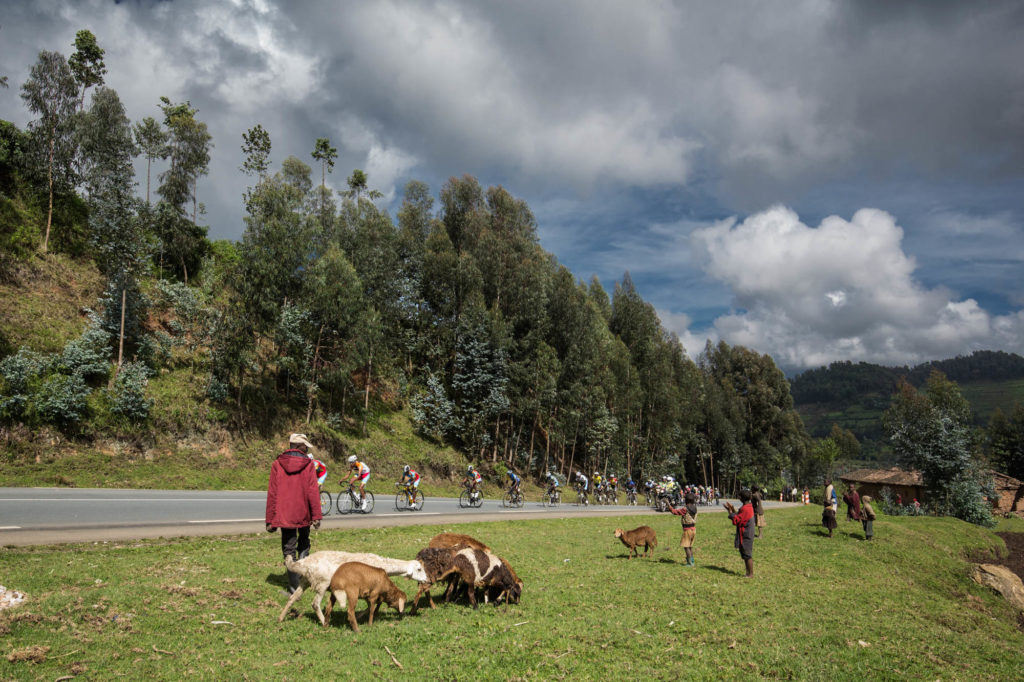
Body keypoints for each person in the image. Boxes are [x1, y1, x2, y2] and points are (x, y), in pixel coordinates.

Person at [266, 433, 322, 594]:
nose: (307, 449)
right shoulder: (309, 464)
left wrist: (270, 519)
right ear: (299, 447)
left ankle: (293, 588)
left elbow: (272, 493)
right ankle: (305, 580)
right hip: (303, 512)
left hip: (285, 515)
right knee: (304, 543)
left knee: (288, 549)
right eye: (305, 447)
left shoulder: (277, 464)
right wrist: (316, 515)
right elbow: (313, 491)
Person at [726, 489, 755, 578]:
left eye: (739, 496)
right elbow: (740, 516)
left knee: (747, 554)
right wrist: (732, 510)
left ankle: (750, 574)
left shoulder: (746, 509)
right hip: (747, 534)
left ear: (741, 498)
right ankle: (748, 572)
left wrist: (731, 513)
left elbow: (737, 520)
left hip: (746, 535)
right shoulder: (747, 507)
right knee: (745, 554)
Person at [669, 491, 698, 566]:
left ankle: (689, 563)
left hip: (687, 530)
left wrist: (669, 507)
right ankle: (692, 561)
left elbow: (675, 512)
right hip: (693, 529)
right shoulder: (695, 508)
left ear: (686, 501)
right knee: (690, 546)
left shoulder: (685, 509)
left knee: (686, 547)